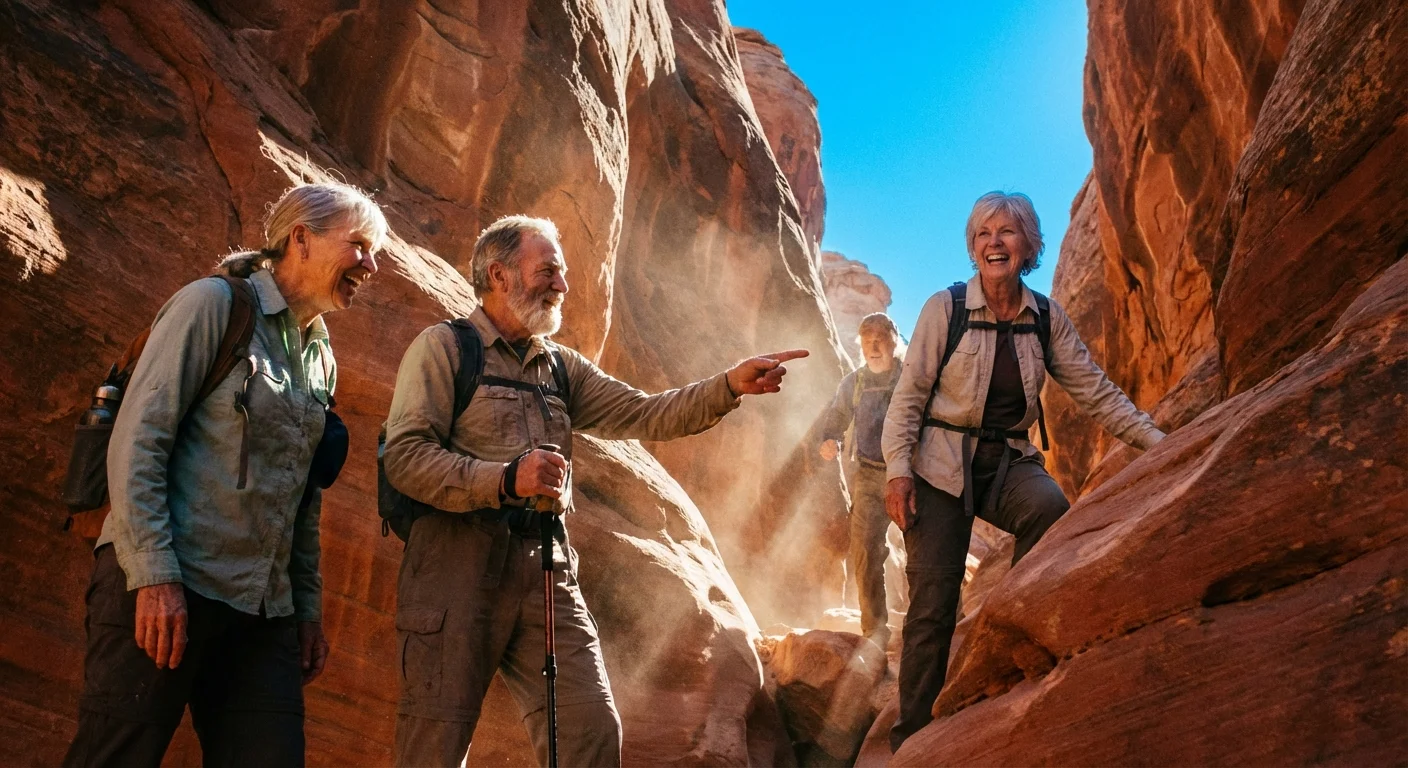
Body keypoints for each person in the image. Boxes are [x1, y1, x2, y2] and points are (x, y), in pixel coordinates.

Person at [382, 215, 808, 768]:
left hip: (546, 572)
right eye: (549, 271)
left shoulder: (560, 368)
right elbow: (405, 457)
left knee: (591, 732)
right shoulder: (443, 350)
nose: (563, 285)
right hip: (454, 569)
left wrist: (728, 385)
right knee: (432, 749)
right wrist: (506, 479)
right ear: (499, 274)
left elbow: (646, 412)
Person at [64, 182, 386, 767]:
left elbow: (302, 495)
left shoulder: (319, 352)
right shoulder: (214, 305)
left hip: (263, 613)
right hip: (166, 581)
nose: (370, 265)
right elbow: (140, 441)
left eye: (377, 254)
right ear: (301, 240)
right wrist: (155, 577)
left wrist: (306, 609)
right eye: (360, 246)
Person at [882, 191, 1166, 751]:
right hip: (939, 466)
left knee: (1050, 509)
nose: (995, 243)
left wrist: (1156, 441)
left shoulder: (1045, 318)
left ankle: (1008, 637)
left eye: (1007, 233)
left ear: (1029, 245)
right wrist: (897, 471)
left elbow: (1094, 391)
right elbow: (909, 394)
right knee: (933, 603)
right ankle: (911, 738)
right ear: (972, 246)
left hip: (1008, 461)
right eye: (984, 234)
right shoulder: (948, 308)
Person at [817, 312, 904, 647]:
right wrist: (830, 439)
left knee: (926, 550)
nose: (875, 345)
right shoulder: (853, 383)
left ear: (895, 340)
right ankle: (874, 630)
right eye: (867, 340)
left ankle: (934, 624)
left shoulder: (912, 379)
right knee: (865, 550)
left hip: (911, 474)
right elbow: (836, 417)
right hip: (868, 476)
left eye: (881, 337)